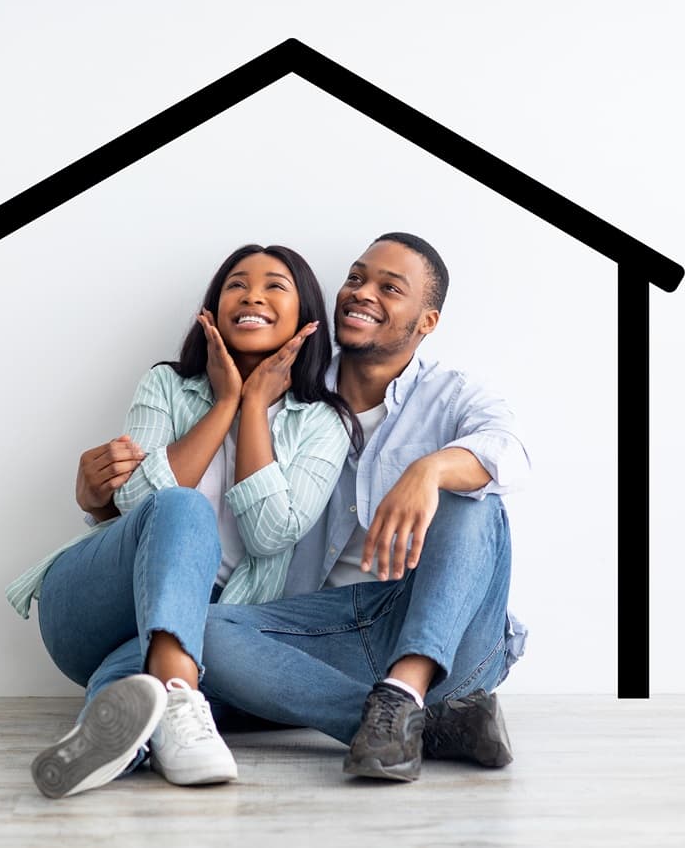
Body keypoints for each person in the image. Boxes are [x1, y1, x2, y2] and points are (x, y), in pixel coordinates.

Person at [4, 244, 357, 798]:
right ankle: (181, 696)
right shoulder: (165, 385)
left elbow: (271, 533)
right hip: (91, 603)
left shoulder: (325, 423)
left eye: (275, 286)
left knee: (132, 674)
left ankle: (121, 742)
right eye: (237, 284)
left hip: (201, 623)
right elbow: (134, 502)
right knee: (182, 505)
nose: (253, 295)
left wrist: (257, 410)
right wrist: (225, 405)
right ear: (213, 310)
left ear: (306, 320)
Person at [201, 232, 530, 782]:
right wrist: (106, 501)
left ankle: (408, 685)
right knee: (198, 629)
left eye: (388, 287)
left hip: (439, 630)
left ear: (426, 322)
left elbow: (510, 452)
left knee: (474, 498)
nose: (361, 293)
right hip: (321, 637)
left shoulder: (451, 394)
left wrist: (429, 470)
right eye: (355, 278)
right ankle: (417, 721)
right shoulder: (289, 392)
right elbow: (217, 500)